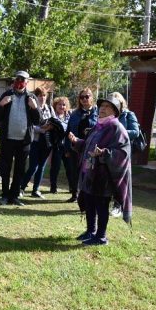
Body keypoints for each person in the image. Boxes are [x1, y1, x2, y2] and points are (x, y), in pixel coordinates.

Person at [68, 96, 132, 246]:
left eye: (107, 107)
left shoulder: (117, 128)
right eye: (102, 106)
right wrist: (76, 141)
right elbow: (88, 146)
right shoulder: (99, 126)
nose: (102, 109)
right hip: (90, 173)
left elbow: (123, 154)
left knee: (101, 206)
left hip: (103, 176)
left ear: (115, 111)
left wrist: (104, 153)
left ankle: (101, 237)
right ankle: (91, 231)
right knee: (89, 203)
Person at [0, 71, 40, 205]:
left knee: (19, 169)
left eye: (23, 80)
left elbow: (38, 120)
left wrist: (34, 108)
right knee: (5, 168)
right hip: (7, 139)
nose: (20, 82)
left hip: (24, 141)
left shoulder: (31, 97)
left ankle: (14, 196)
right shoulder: (7, 94)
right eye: (17, 79)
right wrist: (1, 105)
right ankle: (5, 195)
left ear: (27, 82)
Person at [64, 87, 98, 203]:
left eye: (86, 97)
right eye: (81, 97)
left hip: (90, 149)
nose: (84, 99)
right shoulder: (75, 114)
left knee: (88, 172)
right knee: (74, 172)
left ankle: (87, 195)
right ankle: (74, 194)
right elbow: (68, 131)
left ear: (92, 98)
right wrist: (67, 149)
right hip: (75, 148)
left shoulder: (97, 113)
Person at [20, 87, 54, 199]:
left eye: (44, 95)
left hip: (47, 142)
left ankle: (36, 190)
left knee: (42, 167)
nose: (42, 98)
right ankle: (22, 188)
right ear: (36, 97)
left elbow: (54, 122)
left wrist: (50, 127)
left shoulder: (50, 109)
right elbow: (29, 125)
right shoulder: (32, 109)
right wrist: (41, 129)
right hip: (35, 141)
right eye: (40, 95)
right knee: (33, 167)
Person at [109, 92, 139, 218]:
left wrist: (118, 131)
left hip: (122, 153)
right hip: (109, 151)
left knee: (120, 180)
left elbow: (135, 132)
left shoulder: (128, 115)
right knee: (109, 178)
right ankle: (107, 202)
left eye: (116, 102)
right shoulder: (109, 115)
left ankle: (118, 205)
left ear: (121, 103)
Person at [48, 96, 73, 194]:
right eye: (59, 104)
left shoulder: (70, 116)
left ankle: (72, 187)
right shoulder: (52, 118)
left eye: (64, 105)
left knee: (69, 167)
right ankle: (53, 187)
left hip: (67, 146)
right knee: (55, 167)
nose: (62, 106)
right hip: (57, 146)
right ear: (55, 106)